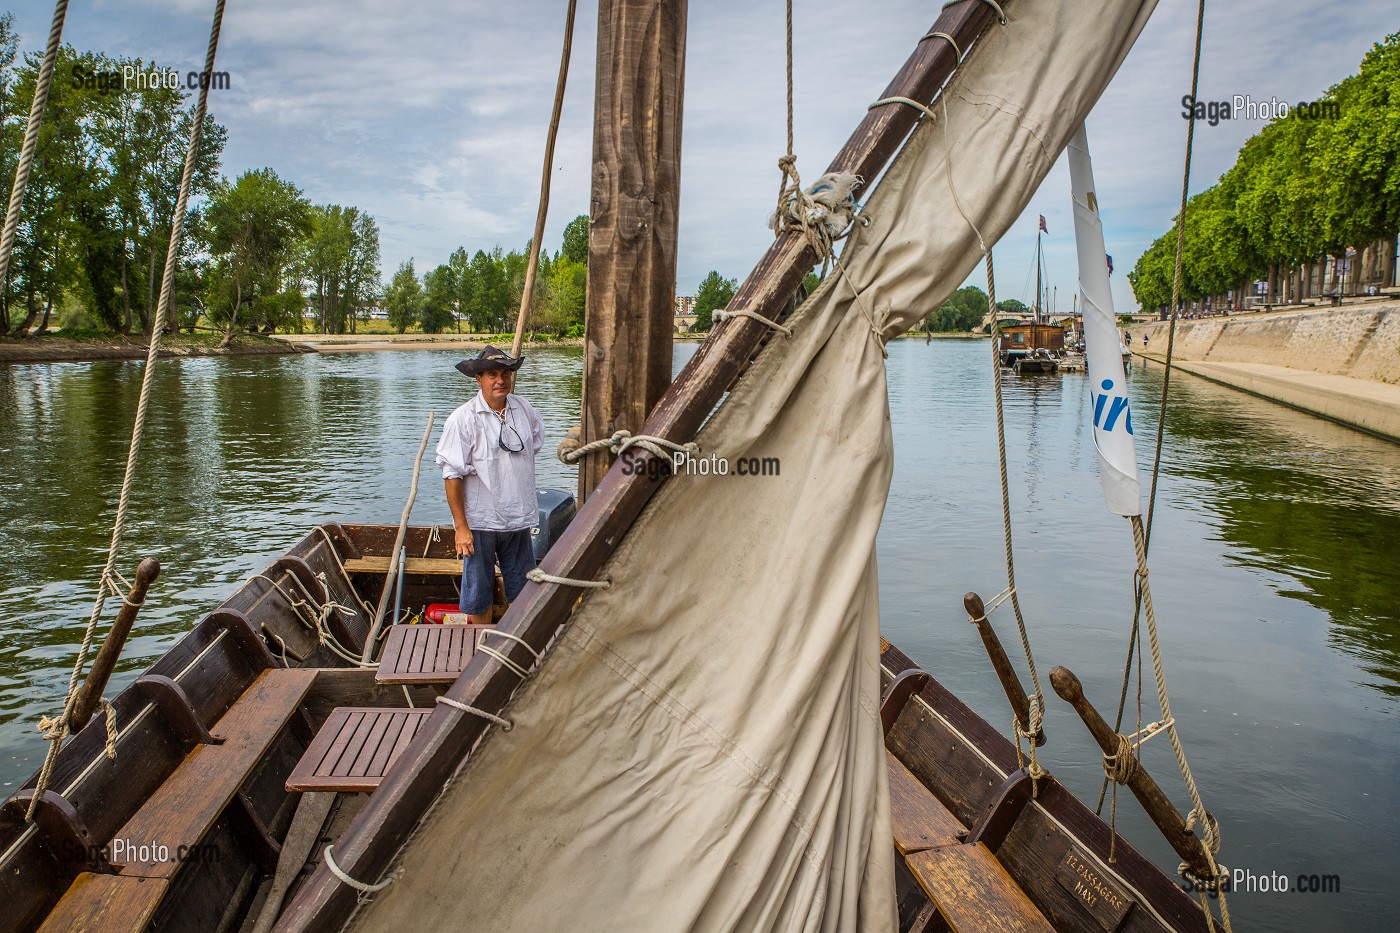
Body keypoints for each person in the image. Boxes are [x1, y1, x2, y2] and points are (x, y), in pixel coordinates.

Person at [435, 346, 546, 625]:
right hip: (481, 522)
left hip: (518, 519)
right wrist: (461, 528)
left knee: (522, 591)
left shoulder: (524, 409)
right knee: (478, 595)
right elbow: (451, 475)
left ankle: (514, 646)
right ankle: (478, 652)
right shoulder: (463, 418)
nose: (500, 380)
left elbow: (536, 445)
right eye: (492, 374)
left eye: (505, 373)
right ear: (479, 379)